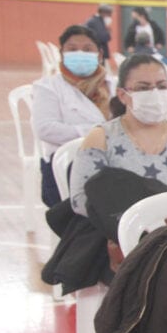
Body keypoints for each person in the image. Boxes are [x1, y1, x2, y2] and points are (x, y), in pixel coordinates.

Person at [68, 53, 167, 219]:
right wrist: (140, 222)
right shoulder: (101, 139)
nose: (155, 93)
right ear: (122, 95)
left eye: (162, 86)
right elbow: (80, 201)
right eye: (143, 88)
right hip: (120, 231)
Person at [32, 24, 113, 207]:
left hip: (111, 162)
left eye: (87, 49)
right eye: (72, 49)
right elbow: (45, 129)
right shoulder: (48, 87)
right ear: (62, 54)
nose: (80, 54)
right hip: (65, 165)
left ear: (100, 55)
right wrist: (97, 133)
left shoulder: (113, 86)